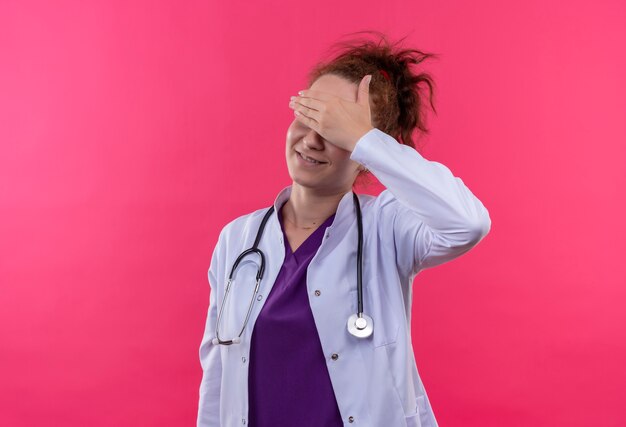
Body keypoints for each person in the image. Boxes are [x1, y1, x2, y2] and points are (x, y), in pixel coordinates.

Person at [197, 31, 491, 427]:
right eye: (310, 115)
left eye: (336, 131)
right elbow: (218, 372)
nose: (313, 140)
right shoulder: (238, 239)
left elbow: (468, 223)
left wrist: (365, 138)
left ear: (367, 153)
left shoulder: (387, 226)